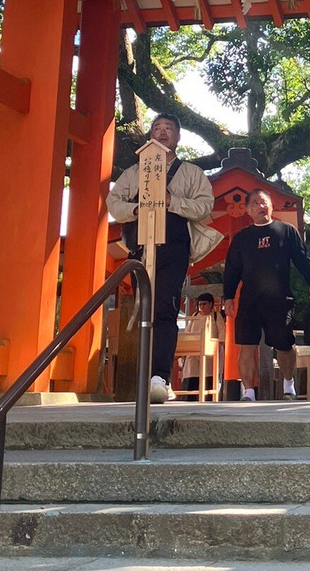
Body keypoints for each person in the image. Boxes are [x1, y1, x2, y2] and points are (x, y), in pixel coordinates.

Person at [107, 114, 223, 404]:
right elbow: (113, 202)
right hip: (140, 247)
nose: (161, 133)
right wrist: (137, 210)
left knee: (165, 307)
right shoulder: (133, 172)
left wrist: (173, 202)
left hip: (173, 244)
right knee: (142, 308)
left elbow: (205, 205)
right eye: (156, 129)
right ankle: (142, 375)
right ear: (149, 136)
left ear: (178, 137)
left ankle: (159, 376)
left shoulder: (191, 172)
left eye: (168, 129)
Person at [223, 187, 310, 402]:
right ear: (248, 209)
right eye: (255, 203)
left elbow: (302, 258)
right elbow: (231, 269)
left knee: (284, 344)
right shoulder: (242, 238)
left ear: (271, 205)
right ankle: (248, 393)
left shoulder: (286, 231)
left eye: (263, 202)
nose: (260, 206)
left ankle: (288, 385)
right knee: (247, 345)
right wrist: (228, 296)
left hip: (279, 298)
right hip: (250, 300)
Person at [181, 293, 218, 396]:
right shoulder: (195, 316)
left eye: (204, 304)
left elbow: (222, 335)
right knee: (192, 378)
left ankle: (209, 399)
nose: (202, 306)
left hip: (209, 353)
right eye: (200, 304)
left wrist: (218, 348)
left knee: (208, 378)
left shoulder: (215, 316)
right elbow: (187, 333)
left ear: (210, 304)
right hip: (193, 352)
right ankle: (190, 400)